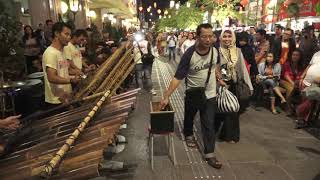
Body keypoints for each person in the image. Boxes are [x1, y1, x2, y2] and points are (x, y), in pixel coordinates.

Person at [160, 23, 223, 169]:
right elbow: (178, 77)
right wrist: (166, 95)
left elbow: (216, 66)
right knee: (189, 115)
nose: (208, 40)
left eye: (210, 36)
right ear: (198, 37)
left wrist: (219, 77)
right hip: (193, 92)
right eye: (204, 36)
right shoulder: (189, 54)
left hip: (210, 93)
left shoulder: (215, 51)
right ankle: (188, 133)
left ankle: (209, 153)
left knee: (208, 123)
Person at [217, 29, 253, 143]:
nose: (227, 39)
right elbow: (214, 68)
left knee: (233, 110)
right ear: (221, 38)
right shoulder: (216, 51)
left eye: (229, 36)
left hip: (234, 84)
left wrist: (249, 86)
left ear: (233, 38)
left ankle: (232, 136)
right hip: (221, 84)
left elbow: (243, 69)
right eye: (225, 36)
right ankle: (223, 134)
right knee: (222, 109)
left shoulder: (238, 51)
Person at [42, 22, 80, 109]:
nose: (69, 37)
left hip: (65, 98)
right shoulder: (50, 53)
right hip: (56, 101)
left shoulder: (62, 52)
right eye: (66, 34)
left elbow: (66, 70)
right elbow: (51, 77)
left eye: (70, 35)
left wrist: (80, 73)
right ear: (56, 34)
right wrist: (70, 80)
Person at [280, 49, 305, 116]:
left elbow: (300, 76)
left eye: (297, 55)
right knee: (291, 89)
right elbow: (286, 75)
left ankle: (299, 110)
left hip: (295, 83)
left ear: (300, 57)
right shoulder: (287, 64)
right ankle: (288, 109)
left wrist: (298, 83)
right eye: (293, 55)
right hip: (284, 81)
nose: (295, 56)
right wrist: (293, 83)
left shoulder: (301, 66)